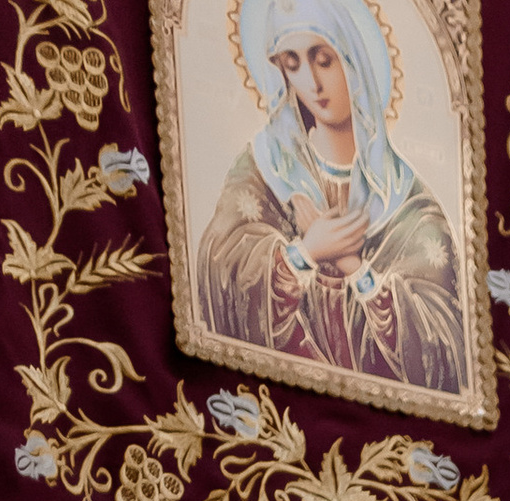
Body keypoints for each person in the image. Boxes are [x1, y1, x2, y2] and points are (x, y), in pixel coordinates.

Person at [197, 0, 467, 407]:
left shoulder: (409, 204)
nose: (312, 84)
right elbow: (219, 270)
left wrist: (355, 269)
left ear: (355, 60)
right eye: (292, 63)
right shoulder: (264, 170)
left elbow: (444, 350)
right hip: (276, 408)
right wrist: (305, 253)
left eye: (324, 60)